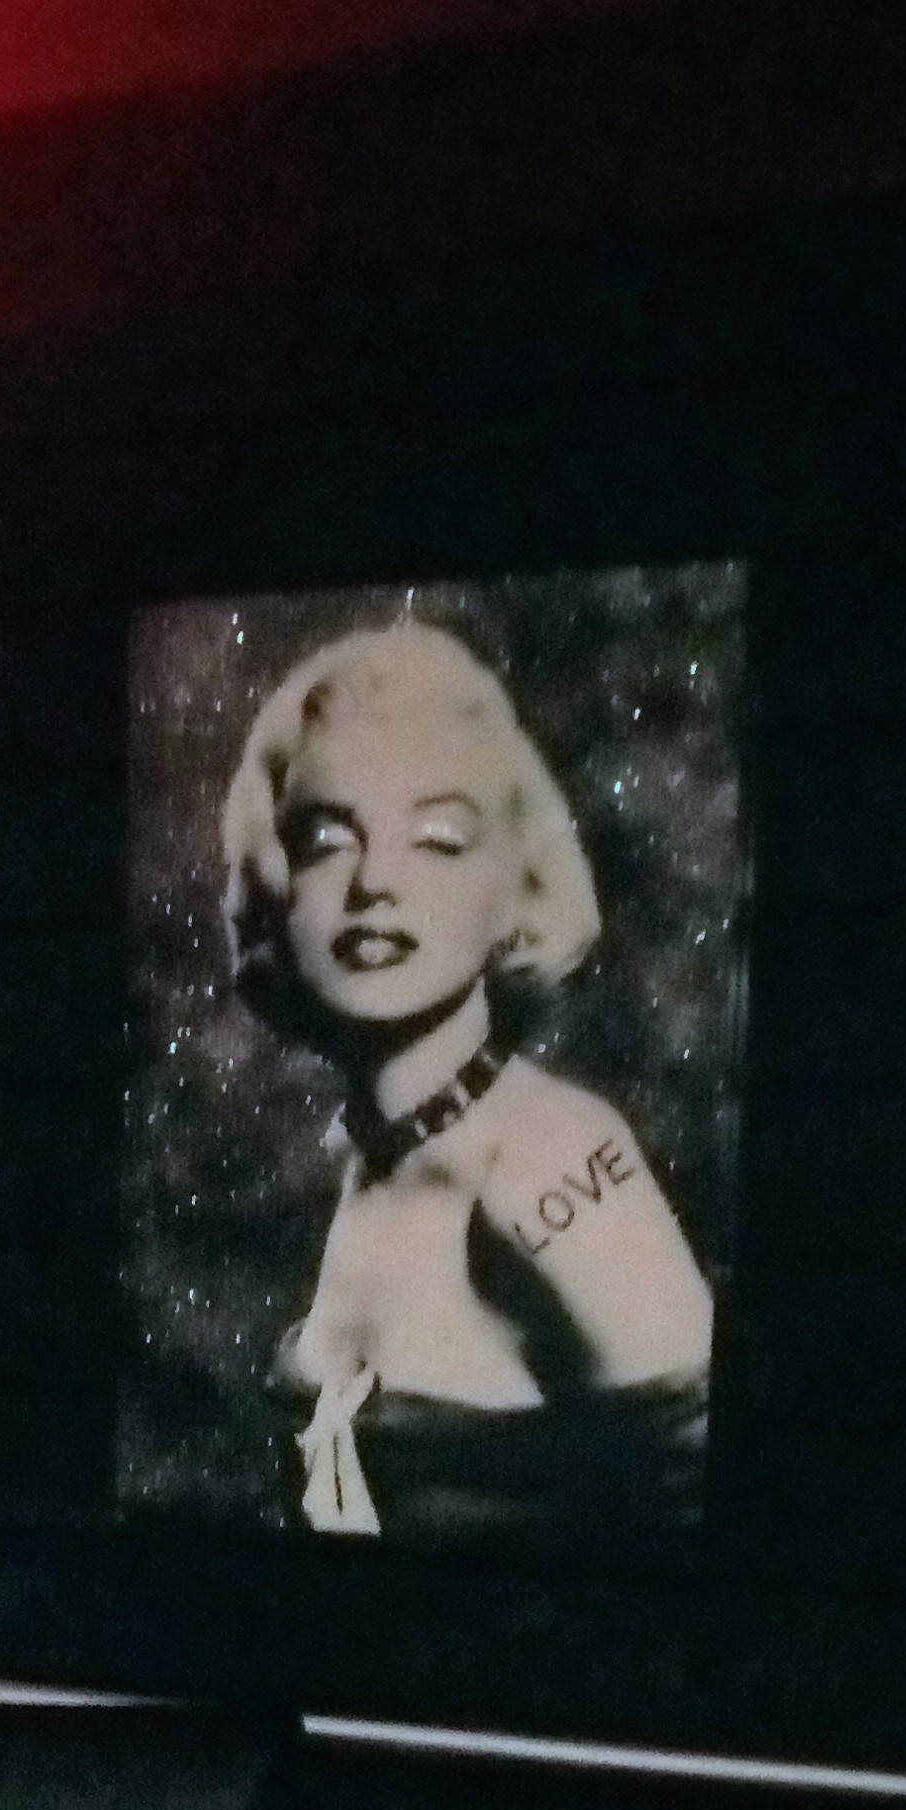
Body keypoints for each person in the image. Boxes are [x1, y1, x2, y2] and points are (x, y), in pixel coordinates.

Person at [219, 621, 712, 1546]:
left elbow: (717, 1525)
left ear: (514, 891)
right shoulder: (373, 1156)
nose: (375, 882)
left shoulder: (552, 1160)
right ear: (278, 887)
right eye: (327, 838)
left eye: (439, 837)